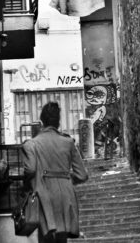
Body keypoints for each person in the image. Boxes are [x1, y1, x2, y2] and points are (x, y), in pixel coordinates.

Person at [22, 102, 88, 243]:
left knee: (45, 237)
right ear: (58, 122)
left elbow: (30, 169)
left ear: (41, 122)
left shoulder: (31, 144)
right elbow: (82, 175)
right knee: (61, 238)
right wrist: (66, 179)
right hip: (66, 195)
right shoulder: (68, 142)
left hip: (43, 194)